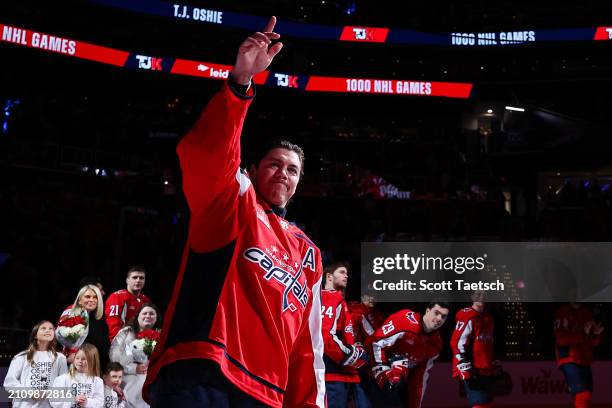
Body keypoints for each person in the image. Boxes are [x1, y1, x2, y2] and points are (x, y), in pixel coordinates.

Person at [144, 16, 325, 408]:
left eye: (293, 169)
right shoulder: (235, 202)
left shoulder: (309, 253)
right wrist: (240, 83)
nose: (284, 173)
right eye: (275, 164)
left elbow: (307, 348)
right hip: (203, 369)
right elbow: (206, 156)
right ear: (254, 170)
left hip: (267, 394)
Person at [369, 302, 450, 408]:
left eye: (443, 317)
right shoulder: (405, 321)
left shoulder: (435, 344)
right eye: (436, 313)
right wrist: (382, 373)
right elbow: (376, 343)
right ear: (427, 310)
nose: (439, 319)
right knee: (399, 368)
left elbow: (420, 379)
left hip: (400, 381)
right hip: (373, 368)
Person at [321, 262, 370, 408]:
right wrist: (351, 354)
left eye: (347, 273)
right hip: (334, 374)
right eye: (342, 272)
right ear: (329, 277)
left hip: (345, 375)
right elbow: (325, 336)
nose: (346, 275)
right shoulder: (330, 298)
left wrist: (355, 347)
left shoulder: (339, 300)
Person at [4, 321, 68, 408]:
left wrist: (49, 393)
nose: (48, 331)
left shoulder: (60, 358)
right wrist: (30, 393)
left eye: (51, 329)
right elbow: (9, 383)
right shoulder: (21, 357)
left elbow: (64, 385)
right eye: (43, 328)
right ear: (35, 335)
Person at [110, 304, 161, 408]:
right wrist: (134, 368)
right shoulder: (126, 332)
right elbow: (114, 356)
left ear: (156, 318)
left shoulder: (161, 335)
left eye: (151, 314)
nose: (148, 316)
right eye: (144, 313)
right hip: (126, 375)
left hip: (151, 377)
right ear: (138, 316)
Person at [450, 291, 496, 408]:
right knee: (479, 404)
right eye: (477, 294)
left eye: (484, 294)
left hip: (486, 369)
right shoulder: (468, 316)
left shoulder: (488, 318)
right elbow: (456, 342)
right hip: (472, 369)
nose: (481, 297)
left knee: (486, 403)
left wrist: (492, 361)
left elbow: (487, 343)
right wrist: (462, 362)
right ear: (472, 297)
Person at [554, 302, 604, 408]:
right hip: (569, 358)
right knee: (582, 395)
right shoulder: (563, 312)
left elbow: (592, 342)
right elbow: (560, 338)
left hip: (584, 358)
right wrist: (583, 334)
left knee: (586, 395)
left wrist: (595, 334)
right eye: (573, 292)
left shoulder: (586, 313)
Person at [58, 285, 110, 369]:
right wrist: (69, 356)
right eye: (87, 297)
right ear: (79, 300)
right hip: (73, 366)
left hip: (94, 367)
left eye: (95, 297)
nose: (91, 300)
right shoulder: (71, 313)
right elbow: (60, 336)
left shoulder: (100, 319)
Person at [50, 343, 104, 408]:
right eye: (77, 358)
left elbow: (100, 402)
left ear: (92, 360)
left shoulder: (97, 381)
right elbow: (54, 401)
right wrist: (73, 400)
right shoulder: (62, 379)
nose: (80, 361)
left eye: (84, 359)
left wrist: (87, 402)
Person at [105, 267, 150, 342]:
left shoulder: (145, 300)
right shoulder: (117, 297)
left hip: (139, 342)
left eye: (141, 278)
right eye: (134, 277)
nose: (138, 280)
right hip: (121, 343)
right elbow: (113, 324)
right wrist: (117, 346)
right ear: (127, 280)